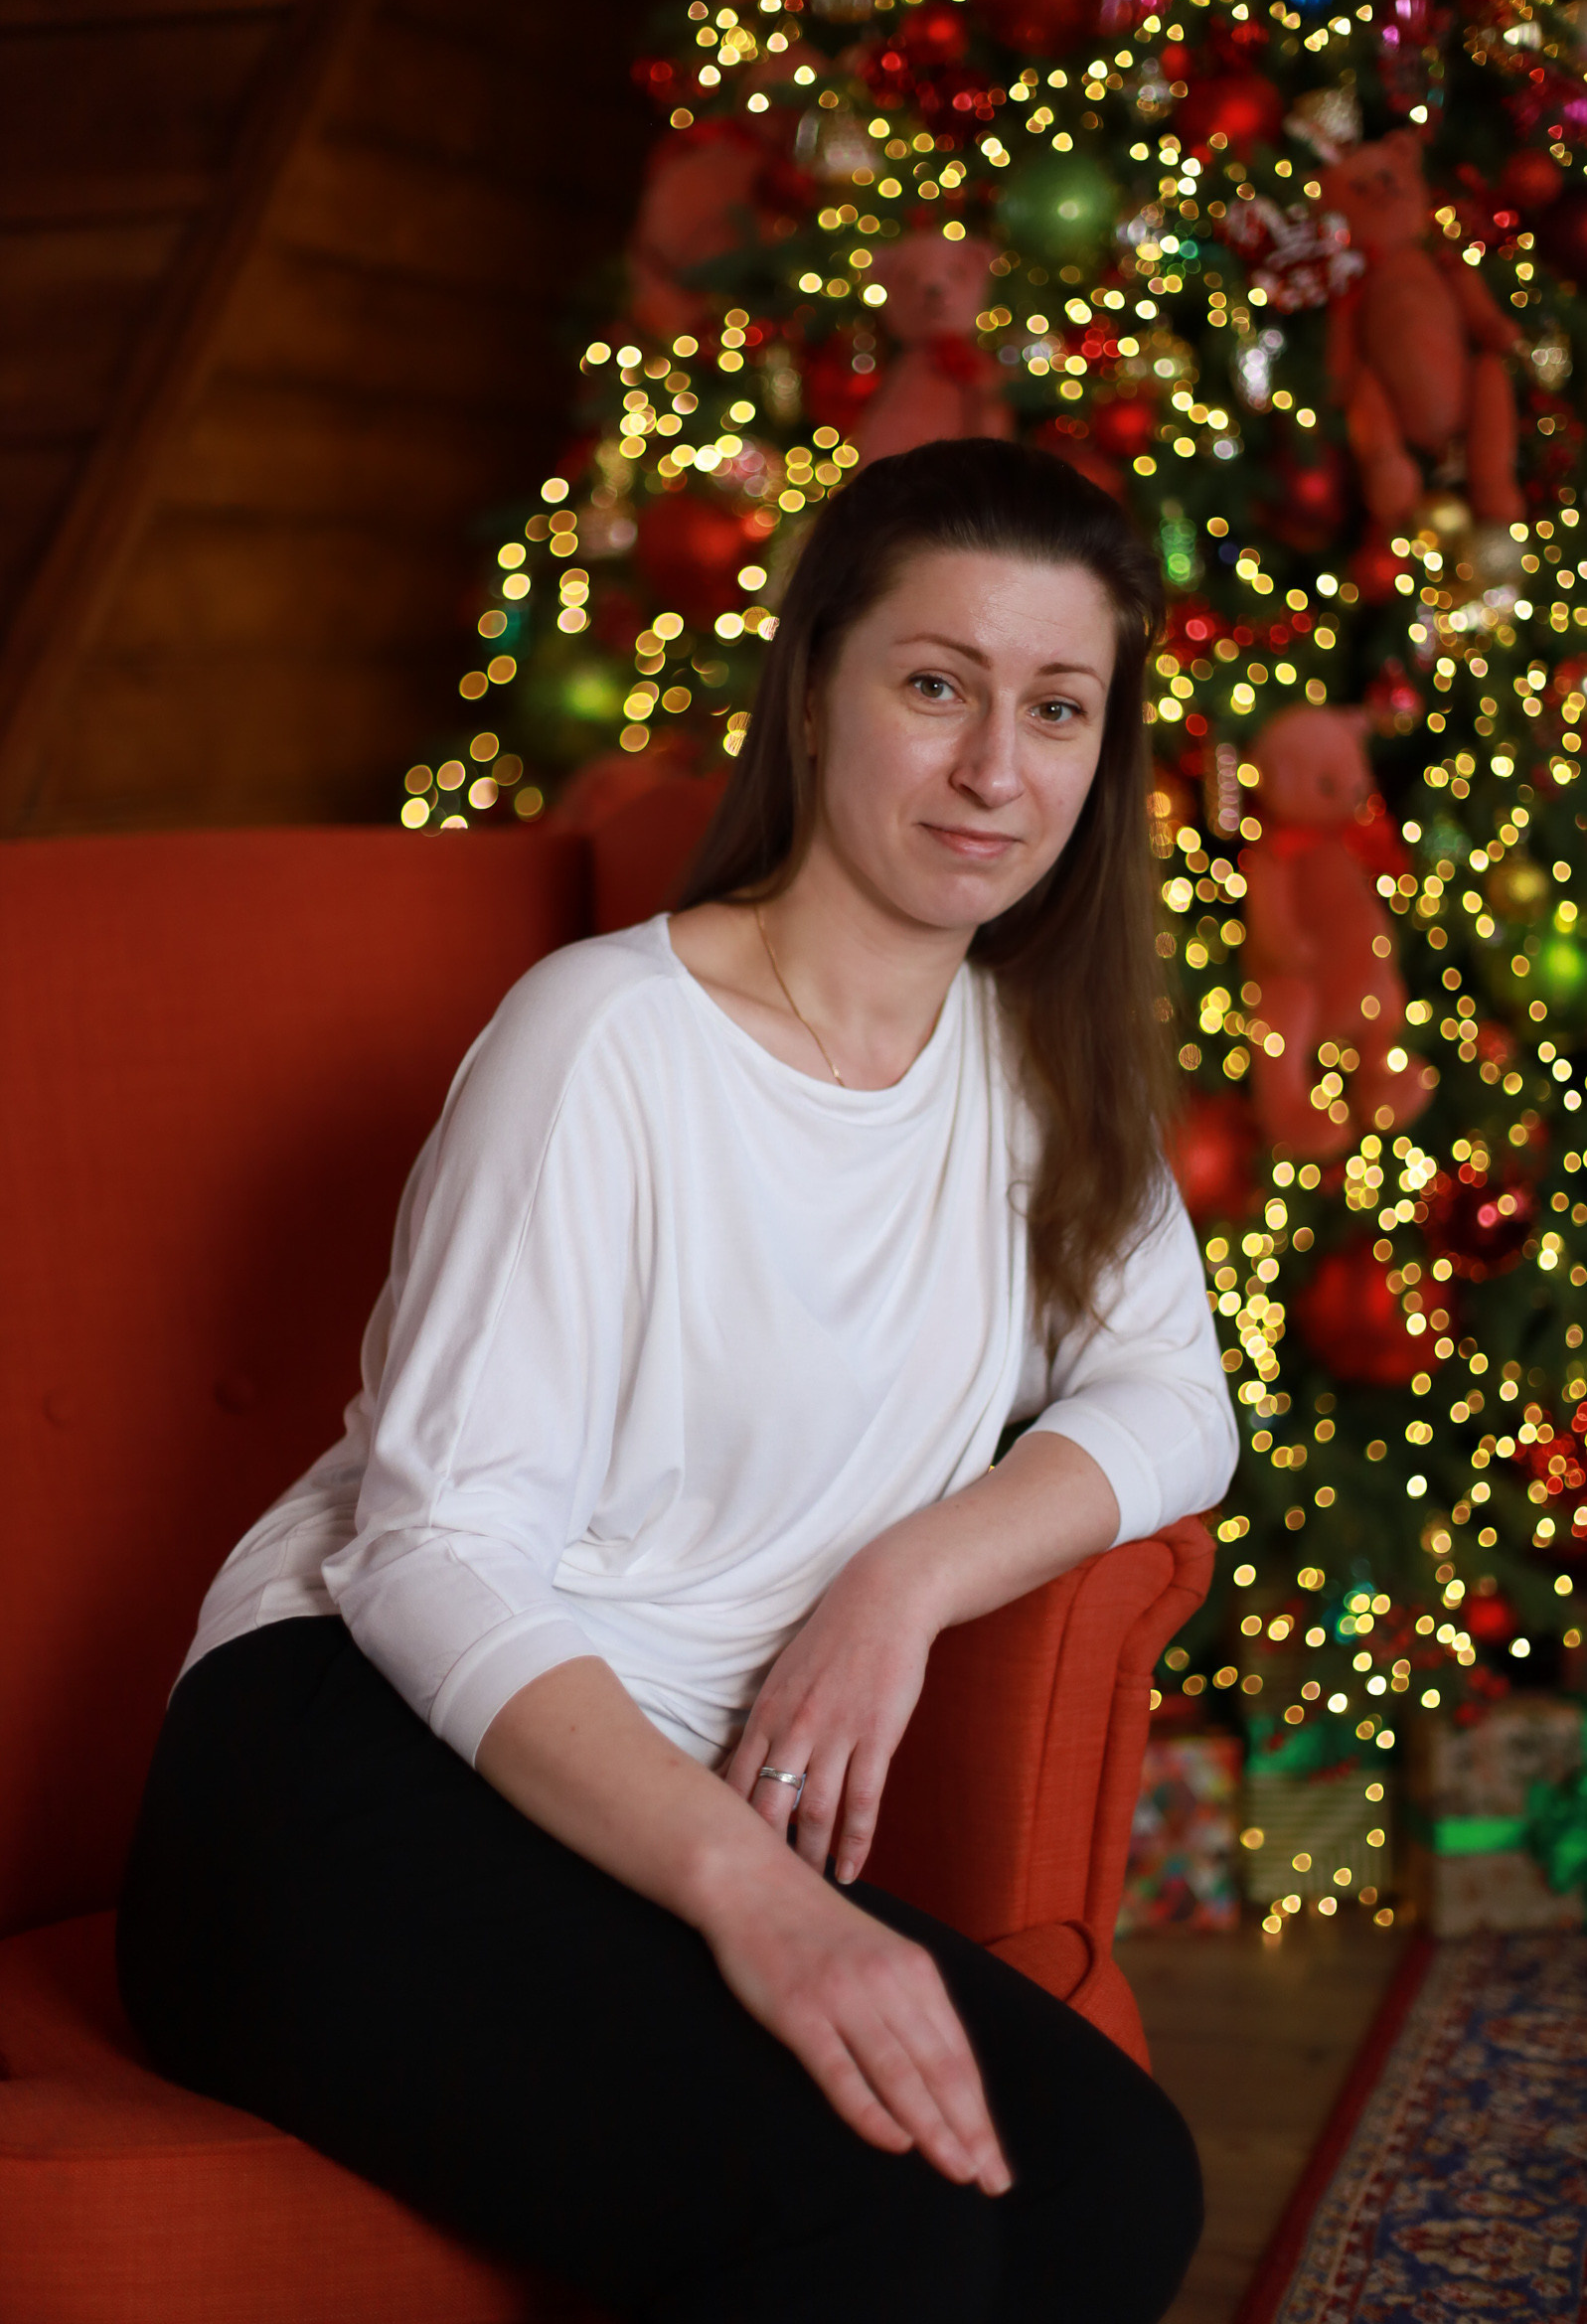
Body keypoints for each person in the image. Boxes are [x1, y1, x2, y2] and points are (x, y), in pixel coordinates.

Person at [116, 437, 1238, 2324]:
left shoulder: (1045, 1080)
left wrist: (897, 1583)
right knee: (882, 2226)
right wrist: (766, 1903)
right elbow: (428, 1556)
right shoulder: (607, 1040)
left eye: (1056, 708)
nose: (995, 768)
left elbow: (1173, 1405)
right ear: (810, 696)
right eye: (935, 685)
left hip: (639, 1816)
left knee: (1109, 2184)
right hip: (343, 1768)